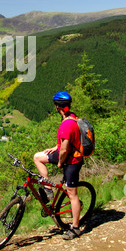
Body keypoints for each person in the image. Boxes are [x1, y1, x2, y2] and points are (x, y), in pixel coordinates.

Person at [33, 91, 83, 240]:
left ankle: (75, 228)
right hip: (66, 154)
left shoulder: (67, 124)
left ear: (58, 107)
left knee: (72, 194)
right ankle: (48, 189)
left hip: (71, 161)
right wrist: (56, 147)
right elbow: (65, 142)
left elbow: (66, 148)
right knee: (38, 157)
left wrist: (60, 162)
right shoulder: (71, 117)